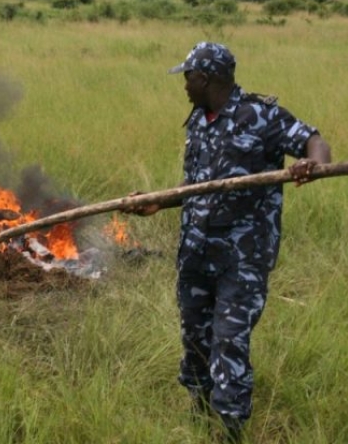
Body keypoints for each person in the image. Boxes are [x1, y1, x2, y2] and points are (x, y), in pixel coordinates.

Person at [127, 42, 331, 443]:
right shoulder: (200, 120)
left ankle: (231, 430)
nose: (183, 85)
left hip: (243, 258)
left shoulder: (262, 115)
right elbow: (197, 185)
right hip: (196, 252)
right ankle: (200, 416)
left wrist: (315, 165)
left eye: (187, 77)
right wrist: (158, 202)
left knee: (228, 340)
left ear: (205, 78)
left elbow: (313, 139)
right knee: (196, 338)